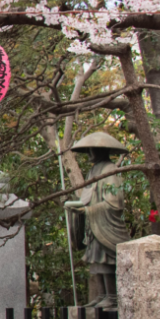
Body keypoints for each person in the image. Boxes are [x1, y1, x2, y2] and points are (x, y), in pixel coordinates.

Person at [63, 132, 133, 309]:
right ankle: (101, 295)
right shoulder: (93, 170)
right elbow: (87, 196)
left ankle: (112, 296)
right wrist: (77, 206)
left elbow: (114, 202)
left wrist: (89, 210)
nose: (89, 154)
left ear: (100, 150)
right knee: (95, 259)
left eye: (92, 150)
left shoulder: (110, 170)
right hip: (93, 225)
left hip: (105, 223)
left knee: (106, 260)